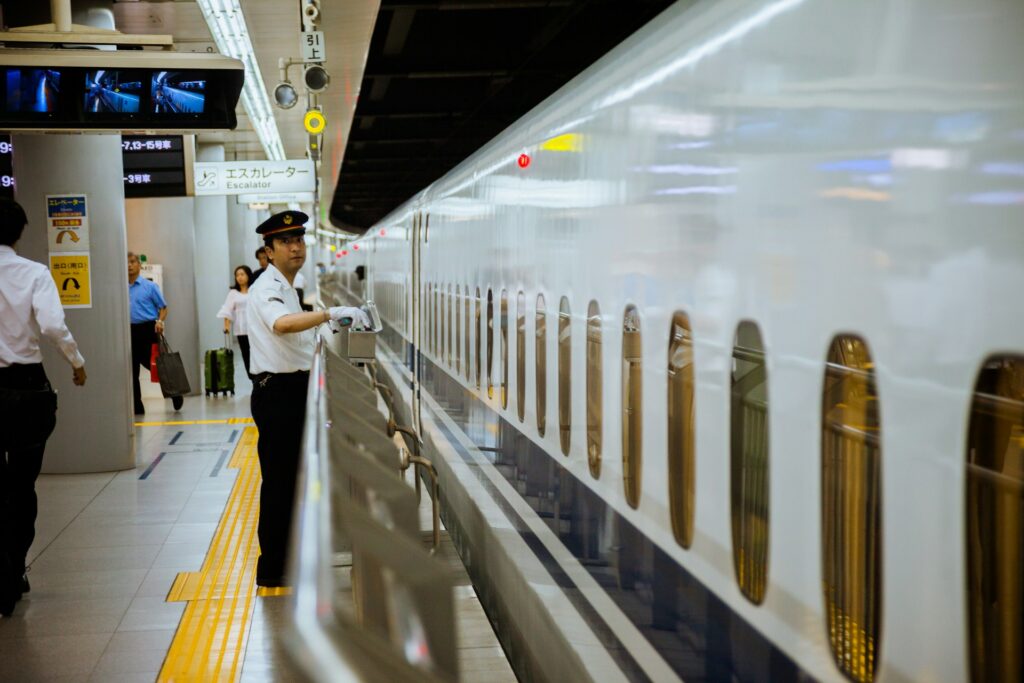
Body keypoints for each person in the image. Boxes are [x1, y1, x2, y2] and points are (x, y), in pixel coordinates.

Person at [247, 210, 368, 587]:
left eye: (299, 239)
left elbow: (296, 337)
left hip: (292, 392)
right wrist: (328, 313)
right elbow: (281, 325)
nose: (296, 247)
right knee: (280, 482)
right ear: (268, 250)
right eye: (285, 241)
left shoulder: (287, 287)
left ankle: (288, 561)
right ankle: (274, 570)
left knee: (291, 480)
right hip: (278, 395)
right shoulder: (267, 287)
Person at [0, 199, 87, 617]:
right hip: (26, 389)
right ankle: (12, 569)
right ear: (20, 231)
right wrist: (76, 362)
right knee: (21, 485)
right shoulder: (34, 273)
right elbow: (52, 325)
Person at [128, 252, 182, 414]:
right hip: (128, 330)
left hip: (147, 329)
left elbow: (163, 307)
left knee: (156, 366)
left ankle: (175, 393)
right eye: (127, 263)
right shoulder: (120, 288)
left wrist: (160, 321)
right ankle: (137, 406)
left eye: (132, 262)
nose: (129, 265)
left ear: (139, 265)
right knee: (132, 369)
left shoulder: (149, 286)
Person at [217, 265, 254, 377]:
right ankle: (253, 379)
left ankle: (261, 380)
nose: (240, 277)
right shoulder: (233, 293)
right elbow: (227, 310)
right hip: (241, 330)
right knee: (247, 356)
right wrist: (226, 326)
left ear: (248, 275)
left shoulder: (254, 290)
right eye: (237, 275)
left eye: (242, 274)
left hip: (255, 329)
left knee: (258, 356)